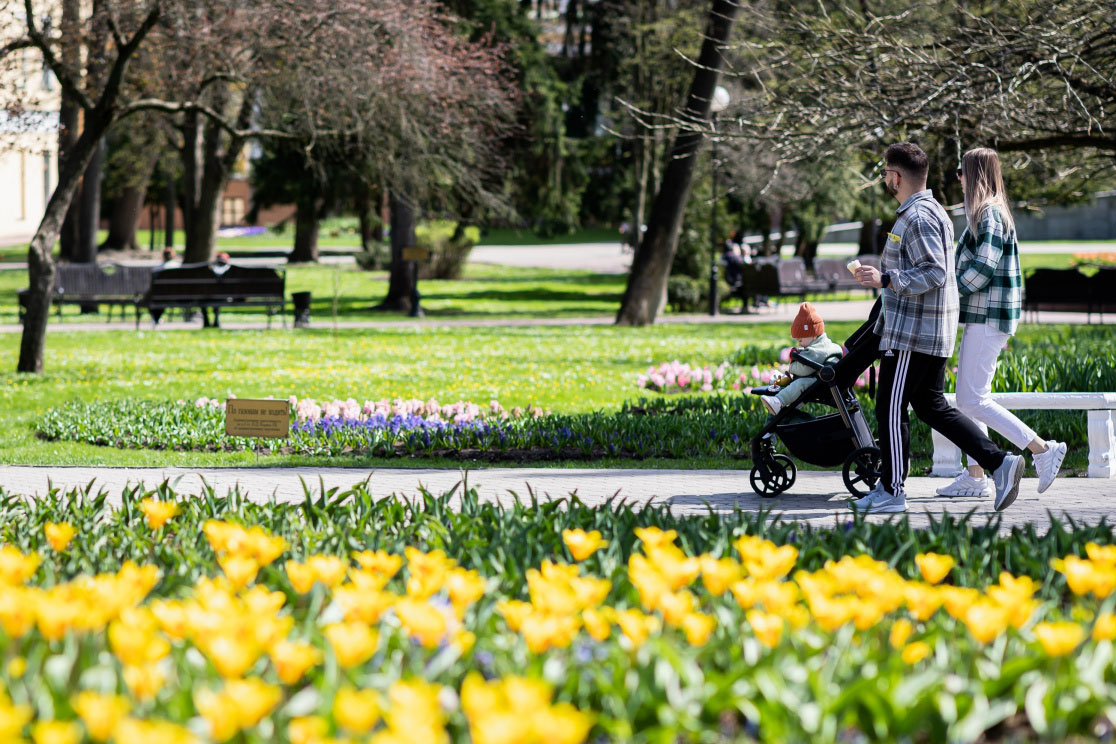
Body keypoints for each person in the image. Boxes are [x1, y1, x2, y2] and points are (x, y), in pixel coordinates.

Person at [851, 142, 1024, 514]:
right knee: (930, 407)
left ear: (896, 176)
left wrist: (886, 278)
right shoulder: (926, 212)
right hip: (925, 330)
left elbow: (934, 272)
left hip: (914, 333)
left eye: (885, 174)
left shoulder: (920, 217)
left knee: (889, 408)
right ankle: (1000, 463)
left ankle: (892, 491)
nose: (885, 180)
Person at [936, 147, 1066, 498]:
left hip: (989, 317)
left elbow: (981, 270)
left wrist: (948, 293)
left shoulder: (990, 215)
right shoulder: (985, 213)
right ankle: (976, 475)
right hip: (985, 316)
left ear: (975, 174)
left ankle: (1042, 449)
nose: (958, 179)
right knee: (970, 399)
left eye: (961, 172)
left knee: (972, 400)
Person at [761, 302, 843, 415]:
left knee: (800, 383)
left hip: (823, 384)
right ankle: (784, 386)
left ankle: (778, 401)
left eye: (800, 340)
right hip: (824, 380)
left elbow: (804, 369)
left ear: (813, 333)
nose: (799, 344)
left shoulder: (818, 350)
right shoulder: (826, 346)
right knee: (799, 381)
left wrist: (792, 366)